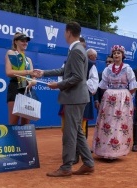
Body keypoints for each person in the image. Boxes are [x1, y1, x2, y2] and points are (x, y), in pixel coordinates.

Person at [33, 22, 94, 177]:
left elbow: (78, 77)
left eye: (64, 32)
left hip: (74, 98)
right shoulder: (77, 49)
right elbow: (66, 70)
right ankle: (88, 163)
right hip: (77, 97)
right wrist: (44, 73)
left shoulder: (76, 50)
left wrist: (58, 85)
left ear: (68, 32)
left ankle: (66, 167)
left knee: (69, 133)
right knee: (78, 132)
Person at [92, 45, 137, 160]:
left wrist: (125, 94)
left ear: (123, 55)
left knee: (119, 123)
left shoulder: (127, 68)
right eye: (114, 53)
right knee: (107, 122)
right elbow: (103, 85)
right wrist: (111, 93)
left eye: (119, 53)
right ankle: (105, 150)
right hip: (109, 98)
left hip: (123, 98)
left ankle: (116, 151)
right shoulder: (107, 69)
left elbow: (133, 85)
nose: (116, 55)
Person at [5, 32, 37, 125]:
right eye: (22, 41)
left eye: (26, 41)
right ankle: (12, 140)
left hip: (26, 89)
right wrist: (28, 72)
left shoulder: (28, 60)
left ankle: (24, 140)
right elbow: (9, 72)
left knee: (26, 124)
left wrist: (32, 82)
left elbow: (34, 79)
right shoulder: (12, 53)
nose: (25, 43)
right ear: (16, 42)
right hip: (15, 88)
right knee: (13, 123)